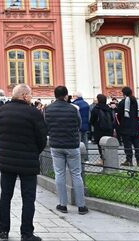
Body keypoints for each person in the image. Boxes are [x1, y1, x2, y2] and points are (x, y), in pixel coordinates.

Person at [0, 84, 47, 241]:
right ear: (25, 96)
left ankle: (3, 230)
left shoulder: (2, 110)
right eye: (30, 95)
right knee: (28, 198)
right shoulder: (33, 113)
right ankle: (26, 233)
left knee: (5, 196)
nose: (31, 98)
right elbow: (42, 138)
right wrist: (34, 152)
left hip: (7, 160)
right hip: (28, 162)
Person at [45, 86, 89, 215]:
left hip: (56, 144)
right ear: (66, 96)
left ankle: (62, 204)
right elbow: (79, 124)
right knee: (76, 174)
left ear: (54, 95)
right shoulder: (73, 109)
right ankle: (81, 206)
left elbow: (46, 125)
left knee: (59, 174)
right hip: (72, 144)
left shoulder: (48, 109)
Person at [116, 87, 139, 167]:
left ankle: (129, 160)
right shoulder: (136, 102)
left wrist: (120, 124)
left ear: (124, 93)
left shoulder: (122, 103)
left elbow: (119, 115)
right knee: (137, 145)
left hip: (126, 126)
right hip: (135, 127)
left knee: (127, 145)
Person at [89, 94, 114, 164]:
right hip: (109, 130)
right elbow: (112, 119)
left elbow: (92, 121)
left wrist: (95, 125)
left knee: (100, 146)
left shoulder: (96, 109)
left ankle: (103, 159)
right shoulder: (108, 108)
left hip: (99, 130)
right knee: (108, 145)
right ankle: (110, 160)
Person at [72, 92, 91, 156]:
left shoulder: (74, 104)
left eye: (73, 96)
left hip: (77, 126)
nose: (72, 97)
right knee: (85, 142)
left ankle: (79, 156)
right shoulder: (86, 103)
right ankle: (86, 157)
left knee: (78, 142)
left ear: (76, 97)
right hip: (85, 125)